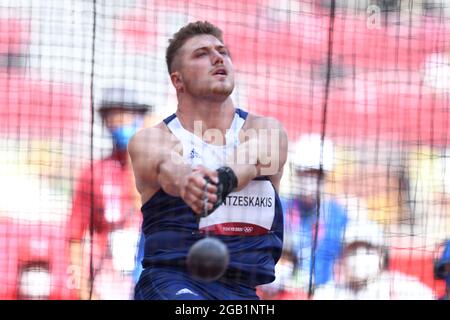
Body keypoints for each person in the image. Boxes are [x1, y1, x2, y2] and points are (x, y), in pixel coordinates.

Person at [128, 21, 288, 300]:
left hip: (243, 292)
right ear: (177, 80)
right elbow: (168, 166)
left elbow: (252, 157)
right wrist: (186, 181)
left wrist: (224, 179)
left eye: (223, 51)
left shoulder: (265, 130)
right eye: (201, 54)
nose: (218, 58)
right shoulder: (152, 139)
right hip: (171, 283)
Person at [68, 88, 154, 300]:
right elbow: (75, 235)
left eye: (126, 116)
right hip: (107, 281)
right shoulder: (95, 173)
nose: (119, 122)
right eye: (113, 117)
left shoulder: (158, 172)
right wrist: (85, 288)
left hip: (149, 275)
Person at [283, 134, 348, 292]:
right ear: (296, 174)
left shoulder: (337, 215)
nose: (309, 182)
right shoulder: (281, 208)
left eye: (315, 175)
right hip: (284, 290)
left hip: (324, 291)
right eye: (304, 174)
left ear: (325, 178)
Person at [313, 219, 434, 300]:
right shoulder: (328, 293)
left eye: (367, 249)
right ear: (343, 256)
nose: (359, 256)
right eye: (352, 249)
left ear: (382, 255)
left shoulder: (408, 289)